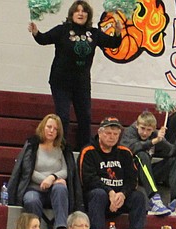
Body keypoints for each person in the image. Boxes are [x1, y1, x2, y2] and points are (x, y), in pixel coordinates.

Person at [27, 1, 121, 150]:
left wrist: (117, 32)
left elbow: (114, 43)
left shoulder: (94, 33)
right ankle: (61, 148)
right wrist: (36, 32)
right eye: (77, 11)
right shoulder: (62, 30)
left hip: (81, 84)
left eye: (84, 11)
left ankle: (85, 150)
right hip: (61, 82)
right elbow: (44, 39)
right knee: (63, 117)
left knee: (85, 118)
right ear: (72, 14)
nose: (80, 13)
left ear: (88, 15)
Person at [8, 114, 82, 229]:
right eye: (49, 127)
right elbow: (28, 171)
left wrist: (52, 177)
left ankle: (62, 228)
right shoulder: (32, 146)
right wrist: (46, 180)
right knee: (31, 200)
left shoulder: (62, 148)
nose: (51, 131)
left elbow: (65, 170)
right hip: (34, 188)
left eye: (55, 129)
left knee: (61, 188)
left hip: (54, 189)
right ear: (43, 127)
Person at [78, 117, 149, 229]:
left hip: (120, 197)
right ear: (99, 133)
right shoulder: (88, 151)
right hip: (97, 197)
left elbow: (132, 179)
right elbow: (88, 180)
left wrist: (122, 194)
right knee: (98, 194)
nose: (112, 137)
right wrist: (109, 192)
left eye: (115, 134)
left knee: (139, 197)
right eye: (108, 133)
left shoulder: (125, 152)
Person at [119, 111, 174, 218]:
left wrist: (164, 140)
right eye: (142, 128)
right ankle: (154, 198)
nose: (144, 133)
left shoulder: (154, 135)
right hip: (130, 172)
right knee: (142, 155)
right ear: (137, 125)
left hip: (146, 171)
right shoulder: (129, 132)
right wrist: (153, 141)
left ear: (153, 129)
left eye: (148, 130)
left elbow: (171, 151)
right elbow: (133, 148)